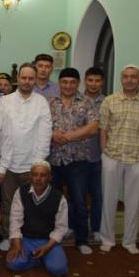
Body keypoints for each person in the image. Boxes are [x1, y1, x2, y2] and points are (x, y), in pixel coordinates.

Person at [99, 64, 139, 255]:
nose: (129, 80)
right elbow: (103, 130)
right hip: (112, 156)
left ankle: (129, 241)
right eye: (125, 76)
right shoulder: (110, 100)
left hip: (137, 159)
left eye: (133, 76)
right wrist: (104, 152)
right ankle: (107, 239)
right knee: (108, 200)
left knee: (133, 202)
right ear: (121, 79)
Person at [0, 63, 52, 251]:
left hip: (32, 164)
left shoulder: (41, 102)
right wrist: (3, 164)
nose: (27, 81)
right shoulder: (5, 101)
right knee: (8, 204)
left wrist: (39, 163)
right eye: (24, 77)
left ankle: (28, 237)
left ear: (35, 80)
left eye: (30, 78)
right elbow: (1, 133)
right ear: (18, 79)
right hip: (9, 163)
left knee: (32, 205)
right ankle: (8, 236)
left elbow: (45, 133)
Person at [48, 68, 99, 254]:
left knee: (79, 201)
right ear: (59, 83)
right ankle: (54, 235)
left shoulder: (87, 102)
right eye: (64, 82)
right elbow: (41, 125)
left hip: (78, 160)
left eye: (72, 82)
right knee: (54, 201)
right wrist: (52, 134)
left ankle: (82, 240)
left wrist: (69, 136)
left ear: (78, 84)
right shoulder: (50, 102)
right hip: (54, 160)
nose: (68, 85)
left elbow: (93, 127)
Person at [5, 160, 68, 277]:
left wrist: (48, 247)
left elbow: (61, 228)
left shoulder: (59, 198)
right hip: (26, 239)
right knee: (12, 264)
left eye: (43, 175)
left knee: (58, 270)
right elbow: (15, 220)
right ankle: (37, 259)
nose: (38, 179)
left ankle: (41, 256)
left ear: (50, 177)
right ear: (30, 176)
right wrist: (17, 245)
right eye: (35, 175)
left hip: (48, 240)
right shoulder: (21, 192)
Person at [83, 67, 106, 241]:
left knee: (97, 195)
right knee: (77, 196)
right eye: (90, 80)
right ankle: (75, 226)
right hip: (77, 156)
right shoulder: (76, 100)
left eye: (97, 80)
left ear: (102, 82)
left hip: (98, 156)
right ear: (85, 81)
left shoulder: (108, 102)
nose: (93, 84)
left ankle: (97, 228)